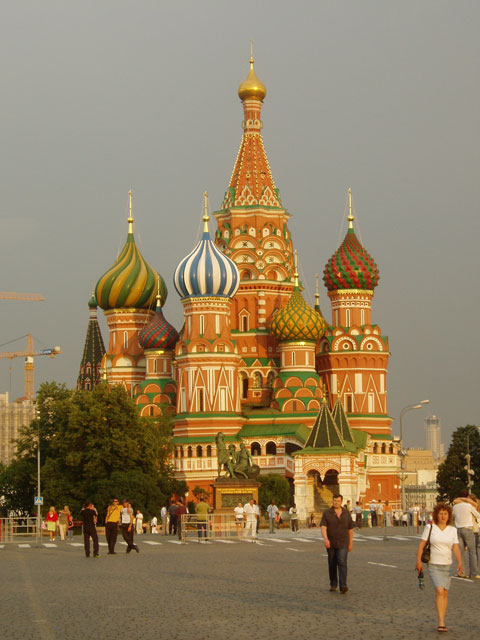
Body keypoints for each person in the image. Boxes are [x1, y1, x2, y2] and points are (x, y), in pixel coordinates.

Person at [416, 503, 462, 633]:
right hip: (434, 564)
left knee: (445, 593)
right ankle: (441, 621)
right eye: (441, 513)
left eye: (445, 514)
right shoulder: (430, 527)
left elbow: (455, 547)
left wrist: (459, 562)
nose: (443, 516)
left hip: (447, 564)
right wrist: (418, 561)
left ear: (449, 516)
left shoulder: (452, 530)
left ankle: (443, 618)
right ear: (437, 515)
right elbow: (421, 545)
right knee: (440, 590)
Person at [320, 494, 354, 594]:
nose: (336, 502)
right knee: (332, 563)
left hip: (343, 542)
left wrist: (351, 543)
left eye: (338, 501)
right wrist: (325, 539)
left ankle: (343, 585)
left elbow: (350, 529)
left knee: (342, 561)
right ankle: (333, 584)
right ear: (332, 501)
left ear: (341, 502)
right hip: (331, 542)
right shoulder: (327, 513)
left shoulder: (346, 513)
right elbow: (323, 527)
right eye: (334, 500)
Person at [452, 489, 480, 578]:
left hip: (458, 529)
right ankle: (473, 573)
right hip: (468, 529)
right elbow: (477, 515)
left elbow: (453, 517)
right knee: (472, 552)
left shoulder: (455, 507)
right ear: (467, 497)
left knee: (461, 553)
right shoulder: (468, 505)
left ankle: (462, 571)